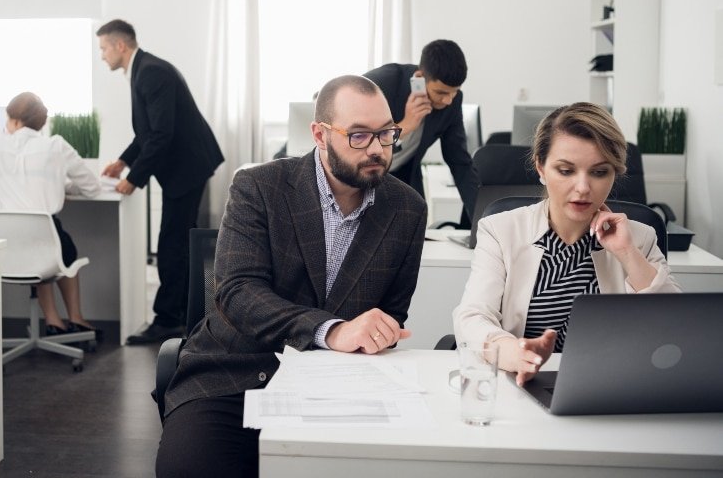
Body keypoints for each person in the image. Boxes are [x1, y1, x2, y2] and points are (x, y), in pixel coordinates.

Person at [156, 75, 427, 477]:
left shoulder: (407, 209)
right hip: (236, 373)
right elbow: (238, 292)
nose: (376, 149)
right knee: (190, 468)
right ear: (320, 134)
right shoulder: (259, 186)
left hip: (340, 386)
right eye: (358, 136)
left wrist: (379, 333)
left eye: (386, 134)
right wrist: (331, 330)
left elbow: (391, 314)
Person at [452, 102, 681, 386]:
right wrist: (513, 352)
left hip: (613, 387)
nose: (583, 187)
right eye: (566, 170)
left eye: (599, 172)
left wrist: (627, 253)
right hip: (523, 385)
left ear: (615, 173)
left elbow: (674, 329)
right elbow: (472, 316)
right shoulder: (501, 231)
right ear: (541, 167)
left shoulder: (640, 237)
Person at [97, 19, 224, 345]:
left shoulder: (151, 72)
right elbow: (148, 131)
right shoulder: (144, 68)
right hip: (186, 164)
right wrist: (124, 161)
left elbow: (161, 134)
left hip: (188, 166)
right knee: (179, 241)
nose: (101, 56)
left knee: (172, 244)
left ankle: (169, 320)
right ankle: (185, 314)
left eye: (103, 48)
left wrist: (134, 179)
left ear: (120, 45)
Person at [0, 92, 102, 336]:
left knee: (40, 244)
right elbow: (92, 188)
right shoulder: (55, 145)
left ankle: (53, 320)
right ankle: (75, 317)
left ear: (14, 121)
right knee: (57, 247)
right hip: (45, 244)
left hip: (5, 248)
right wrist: (63, 186)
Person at [364, 39, 478, 221]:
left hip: (402, 180)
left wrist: (483, 222)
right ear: (420, 77)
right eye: (441, 93)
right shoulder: (380, 84)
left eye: (454, 91)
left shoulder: (453, 101)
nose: (448, 100)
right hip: (362, 178)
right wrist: (405, 125)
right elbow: (357, 141)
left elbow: (460, 162)